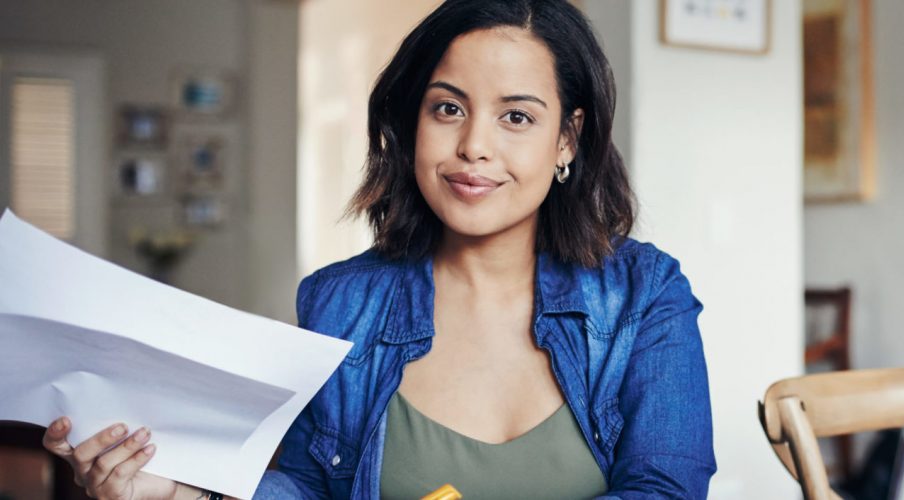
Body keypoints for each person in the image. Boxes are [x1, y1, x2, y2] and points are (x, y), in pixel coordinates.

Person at [41, 1, 716, 498]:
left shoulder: (645, 295)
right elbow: (307, 484)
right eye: (447, 109)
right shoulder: (340, 300)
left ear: (566, 139)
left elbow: (667, 489)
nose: (473, 145)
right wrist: (177, 493)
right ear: (411, 122)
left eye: (516, 117)